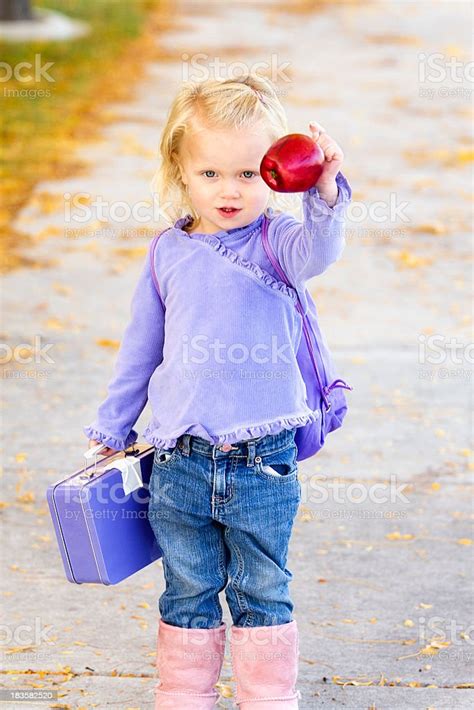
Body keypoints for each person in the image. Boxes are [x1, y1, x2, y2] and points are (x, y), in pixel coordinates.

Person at [84, 72, 352, 709]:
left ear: (274, 175)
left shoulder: (277, 244)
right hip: (177, 459)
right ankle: (182, 696)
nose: (230, 191)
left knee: (261, 586)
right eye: (211, 174)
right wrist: (112, 427)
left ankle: (266, 699)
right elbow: (141, 350)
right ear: (179, 165)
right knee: (187, 586)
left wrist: (323, 191)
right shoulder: (167, 253)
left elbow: (321, 249)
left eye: (248, 175)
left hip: (262, 457)